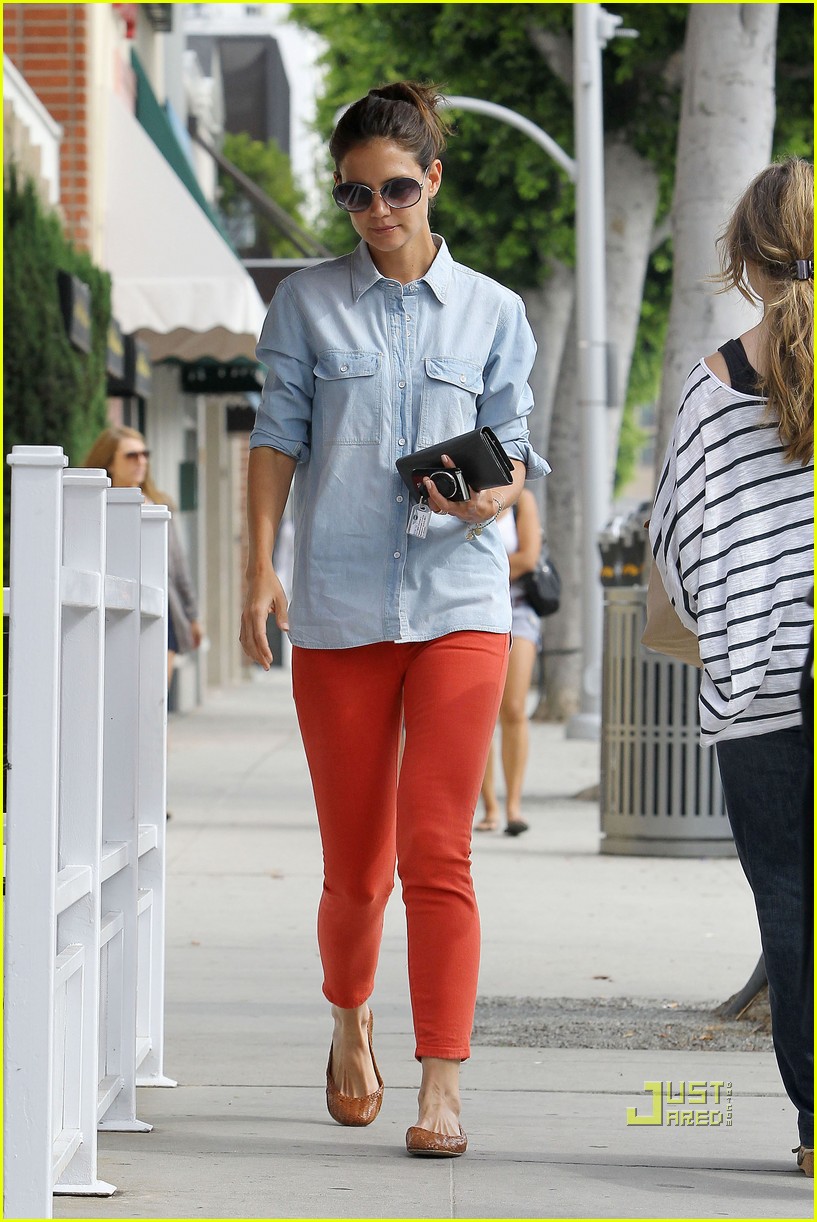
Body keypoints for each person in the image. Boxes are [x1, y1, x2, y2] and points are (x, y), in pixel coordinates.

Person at [239, 81, 548, 1158]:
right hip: (336, 609)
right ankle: (348, 1020)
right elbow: (274, 439)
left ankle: (443, 1085)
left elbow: (515, 453)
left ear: (434, 180)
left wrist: (492, 497)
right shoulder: (306, 305)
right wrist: (258, 571)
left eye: (396, 189)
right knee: (355, 866)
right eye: (356, 195)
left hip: (461, 604)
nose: (377, 211)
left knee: (436, 852)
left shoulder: (495, 313)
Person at [649, 157, 814, 1177]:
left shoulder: (712, 387)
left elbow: (677, 540)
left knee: (789, 898)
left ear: (745, 255)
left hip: (760, 684)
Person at [83, 426, 203, 688]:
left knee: (155, 693)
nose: (141, 461)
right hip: (111, 609)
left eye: (144, 454)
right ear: (109, 462)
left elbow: (177, 565)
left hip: (162, 607)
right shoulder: (92, 505)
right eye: (131, 455)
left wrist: (192, 616)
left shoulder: (160, 505)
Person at [476, 488, 543, 836]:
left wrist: (480, 568)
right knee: (482, 711)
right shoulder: (462, 496)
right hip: (474, 610)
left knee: (514, 708)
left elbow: (528, 558)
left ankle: (514, 804)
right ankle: (489, 806)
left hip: (518, 610)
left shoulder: (522, 500)